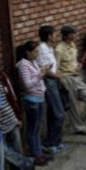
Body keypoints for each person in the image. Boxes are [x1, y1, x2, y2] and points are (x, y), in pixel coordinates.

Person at [0, 69, 36, 170]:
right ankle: (28, 164)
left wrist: (18, 115)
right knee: (3, 151)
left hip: (10, 118)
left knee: (17, 149)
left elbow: (11, 95)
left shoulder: (1, 77)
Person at [16, 41, 52, 166]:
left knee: (37, 127)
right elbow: (27, 84)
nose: (37, 54)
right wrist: (40, 74)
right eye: (35, 52)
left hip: (40, 97)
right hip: (31, 99)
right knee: (32, 128)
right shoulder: (23, 65)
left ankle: (39, 152)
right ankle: (35, 154)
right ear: (28, 52)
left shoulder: (33, 62)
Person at [54, 25, 86, 135]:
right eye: (73, 33)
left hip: (77, 76)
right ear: (67, 35)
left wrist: (78, 65)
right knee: (73, 104)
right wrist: (61, 80)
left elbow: (74, 61)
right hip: (67, 77)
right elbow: (56, 67)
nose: (75, 35)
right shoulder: (59, 49)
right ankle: (78, 127)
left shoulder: (73, 45)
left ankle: (69, 98)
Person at [36, 25, 67, 155]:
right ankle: (50, 143)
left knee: (55, 113)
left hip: (54, 81)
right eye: (54, 34)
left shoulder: (49, 48)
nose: (56, 37)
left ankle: (56, 142)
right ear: (49, 36)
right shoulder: (42, 49)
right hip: (49, 82)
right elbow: (45, 69)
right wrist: (58, 77)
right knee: (59, 113)